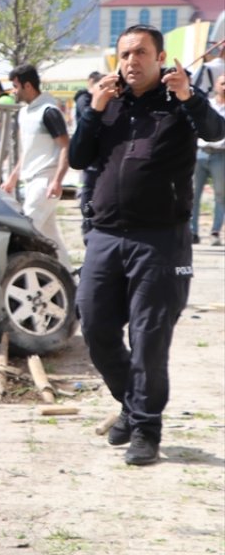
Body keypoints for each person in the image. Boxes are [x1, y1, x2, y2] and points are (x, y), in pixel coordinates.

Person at [70, 24, 225, 466]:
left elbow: (215, 131)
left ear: (160, 58)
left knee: (148, 339)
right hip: (105, 236)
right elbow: (79, 157)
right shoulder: (108, 103)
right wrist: (95, 109)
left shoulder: (180, 102)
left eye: (140, 53)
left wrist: (189, 96)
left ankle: (146, 430)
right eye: (124, 54)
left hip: (160, 240)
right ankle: (131, 405)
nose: (131, 61)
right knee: (96, 328)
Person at [0, 64, 71, 266]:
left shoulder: (49, 112)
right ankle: (69, 276)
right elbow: (28, 151)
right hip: (31, 181)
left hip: (45, 180)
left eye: (16, 86)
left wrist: (57, 181)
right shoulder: (25, 113)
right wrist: (13, 178)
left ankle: (16, 272)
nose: (13, 91)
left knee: (26, 231)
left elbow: (66, 147)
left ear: (28, 86)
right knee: (50, 236)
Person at [192, 73, 225, 245]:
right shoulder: (206, 104)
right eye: (222, 83)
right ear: (216, 85)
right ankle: (192, 232)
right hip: (200, 153)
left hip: (220, 155)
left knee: (220, 195)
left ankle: (215, 232)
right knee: (193, 194)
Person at [74, 72, 104, 237]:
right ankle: (88, 228)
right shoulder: (85, 99)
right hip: (91, 163)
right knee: (88, 198)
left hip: (100, 162)